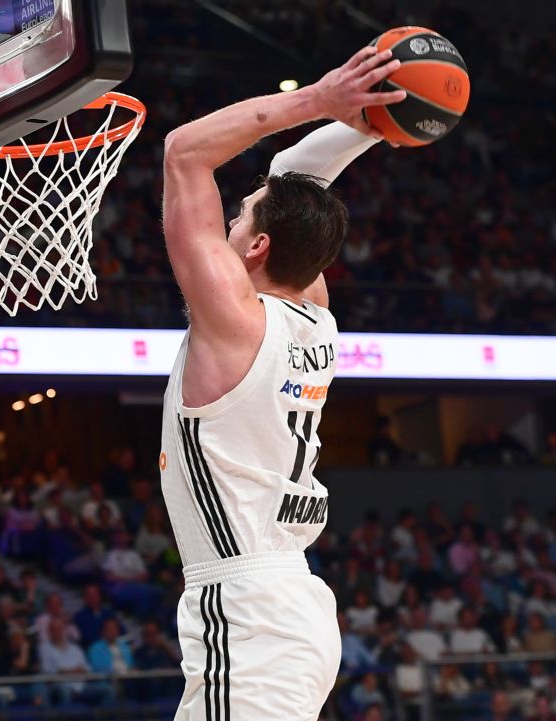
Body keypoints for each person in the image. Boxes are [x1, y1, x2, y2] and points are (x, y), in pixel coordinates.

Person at [157, 45, 406, 721]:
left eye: (237, 219)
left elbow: (184, 152)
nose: (228, 226)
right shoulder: (314, 313)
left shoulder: (234, 319)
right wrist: (367, 121)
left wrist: (320, 101)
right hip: (288, 602)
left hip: (249, 613)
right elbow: (296, 181)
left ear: (258, 247)